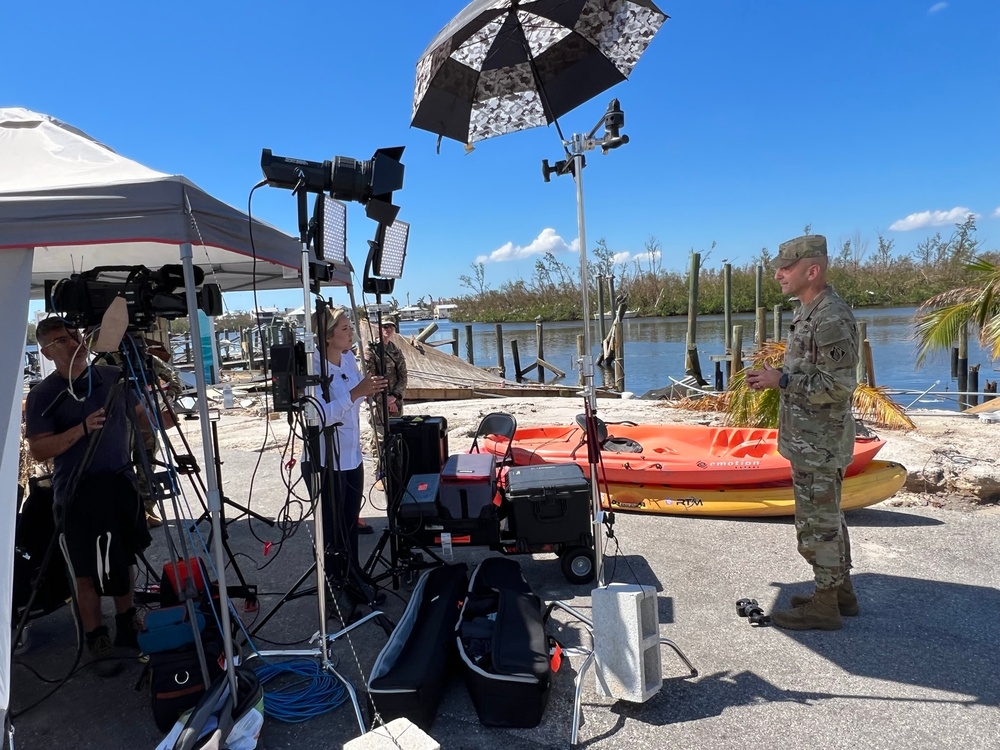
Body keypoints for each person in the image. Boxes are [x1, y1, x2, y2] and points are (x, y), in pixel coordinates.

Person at [25, 318, 153, 673]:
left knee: (124, 557)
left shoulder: (111, 377)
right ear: (48, 351)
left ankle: (127, 622)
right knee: (85, 570)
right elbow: (38, 450)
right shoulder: (43, 395)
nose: (74, 343)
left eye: (75, 335)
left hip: (119, 483)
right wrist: (81, 429)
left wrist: (156, 407)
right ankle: (97, 636)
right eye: (62, 340)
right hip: (77, 492)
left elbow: (144, 418)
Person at [745, 234, 860, 631]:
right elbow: (811, 372)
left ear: (812, 271)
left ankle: (825, 606)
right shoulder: (811, 311)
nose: (777, 273)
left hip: (820, 443)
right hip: (810, 440)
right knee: (826, 518)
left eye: (786, 267)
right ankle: (840, 592)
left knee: (818, 525)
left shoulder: (830, 316)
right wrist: (777, 378)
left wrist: (782, 381)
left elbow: (840, 385)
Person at [302, 306, 387, 609]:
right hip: (325, 459)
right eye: (344, 329)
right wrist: (355, 394)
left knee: (349, 523)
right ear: (327, 336)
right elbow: (315, 416)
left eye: (350, 328)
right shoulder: (312, 367)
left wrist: (374, 392)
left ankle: (353, 577)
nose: (351, 333)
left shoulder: (349, 358)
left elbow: (357, 393)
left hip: (351, 454)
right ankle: (334, 588)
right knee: (331, 529)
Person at [364, 315, 408, 502]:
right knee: (379, 439)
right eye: (384, 326)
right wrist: (383, 399)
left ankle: (395, 471)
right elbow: (368, 377)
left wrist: (394, 397)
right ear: (378, 328)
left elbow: (403, 376)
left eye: (391, 326)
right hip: (378, 403)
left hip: (394, 403)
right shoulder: (370, 350)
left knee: (396, 437)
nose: (387, 329)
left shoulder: (395, 350)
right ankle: (380, 475)